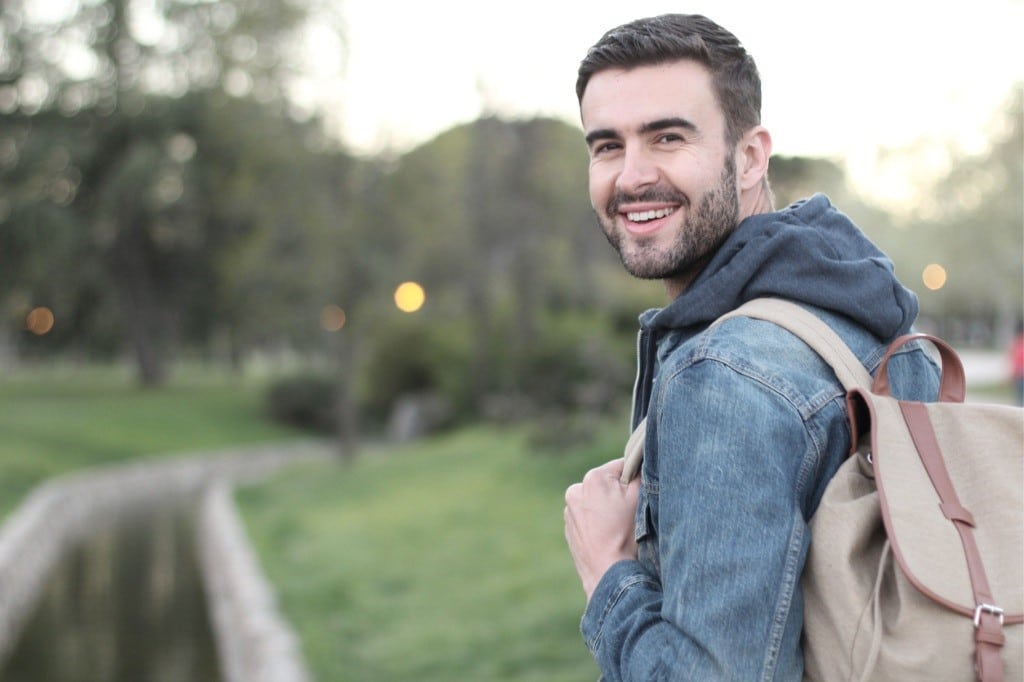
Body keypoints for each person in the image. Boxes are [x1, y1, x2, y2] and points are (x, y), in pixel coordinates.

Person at [562, 14, 941, 680]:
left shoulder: (727, 374)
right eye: (606, 146)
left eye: (667, 137)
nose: (631, 176)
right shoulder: (857, 314)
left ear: (750, 157)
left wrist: (608, 573)